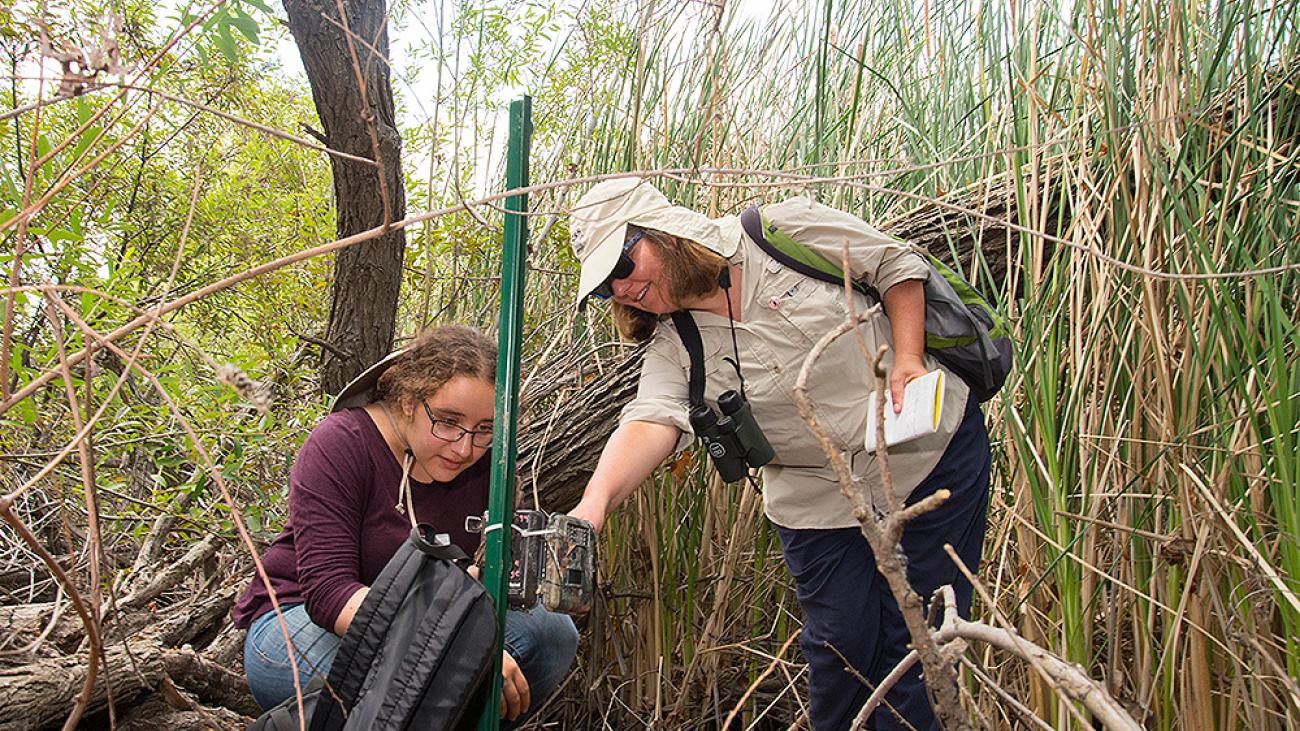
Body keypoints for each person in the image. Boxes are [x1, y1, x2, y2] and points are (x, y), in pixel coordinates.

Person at [565, 179, 991, 730]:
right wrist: (592, 508)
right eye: (605, 287)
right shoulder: (676, 344)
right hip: (817, 502)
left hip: (928, 460)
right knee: (839, 652)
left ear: (662, 231)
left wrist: (907, 357)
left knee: (920, 643)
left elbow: (895, 265)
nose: (620, 289)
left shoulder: (778, 233)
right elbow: (652, 419)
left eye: (622, 266)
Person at [232, 324, 579, 725]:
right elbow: (329, 593)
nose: (464, 447)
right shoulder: (341, 443)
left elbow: (487, 581)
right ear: (408, 401)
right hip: (299, 623)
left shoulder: (490, 462)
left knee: (551, 632)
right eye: (448, 421)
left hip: (429, 624)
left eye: (485, 429)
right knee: (413, 681)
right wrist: (454, 651)